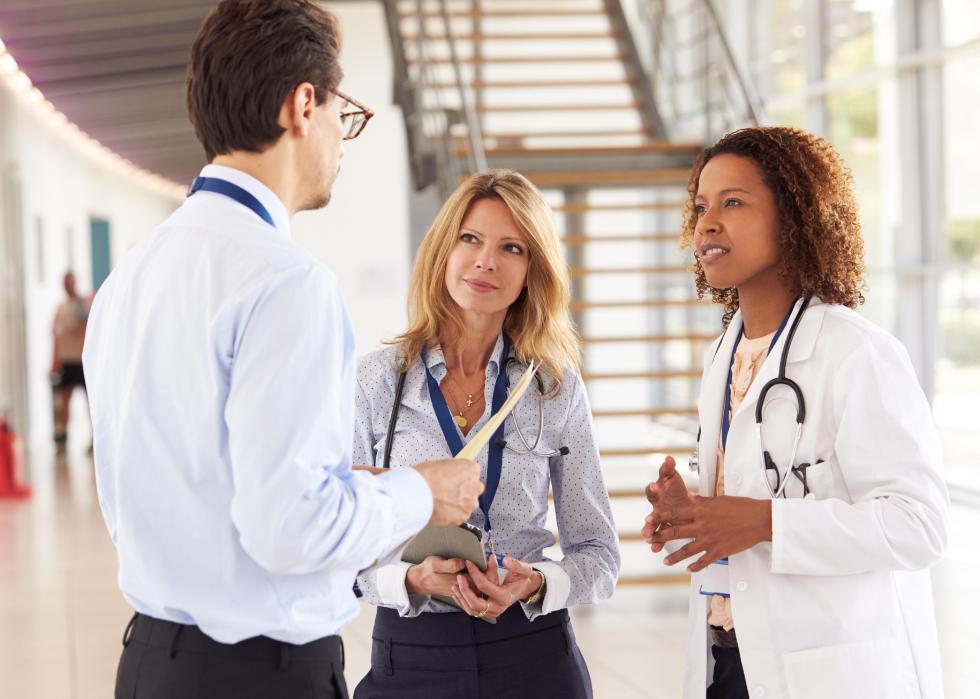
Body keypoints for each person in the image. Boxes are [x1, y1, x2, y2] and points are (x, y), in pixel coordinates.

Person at [81, 2, 483, 697]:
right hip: (256, 673)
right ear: (303, 105)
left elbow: (160, 488)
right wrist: (421, 490)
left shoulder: (131, 275)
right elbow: (294, 529)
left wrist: (344, 483)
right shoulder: (287, 281)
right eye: (341, 110)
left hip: (151, 661)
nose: (340, 136)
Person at [642, 127, 949, 698]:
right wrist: (691, 504)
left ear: (795, 216)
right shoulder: (724, 353)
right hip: (731, 660)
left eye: (733, 203)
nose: (707, 223)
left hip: (829, 671)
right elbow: (753, 480)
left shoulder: (857, 352)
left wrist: (762, 521)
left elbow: (919, 525)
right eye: (701, 206)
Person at [351, 170, 620, 698]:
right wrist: (410, 580)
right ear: (443, 251)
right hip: (412, 655)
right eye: (469, 239)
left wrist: (539, 582)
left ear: (532, 271)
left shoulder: (553, 387)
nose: (485, 261)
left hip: (533, 653)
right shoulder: (376, 381)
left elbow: (599, 551)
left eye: (512, 248)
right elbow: (336, 547)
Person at [51, 270, 89, 453]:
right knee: (64, 401)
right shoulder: (60, 308)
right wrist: (55, 359)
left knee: (89, 401)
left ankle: (94, 439)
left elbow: (84, 328)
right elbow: (55, 334)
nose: (68, 285)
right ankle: (63, 439)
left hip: (81, 361)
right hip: (66, 360)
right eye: (65, 282)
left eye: (70, 281)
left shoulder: (83, 304)